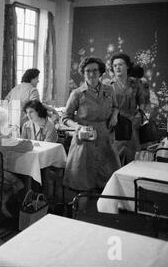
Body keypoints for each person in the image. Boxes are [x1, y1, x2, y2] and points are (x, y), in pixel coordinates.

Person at [62, 57, 121, 202]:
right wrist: (77, 126)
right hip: (85, 137)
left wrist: (115, 115)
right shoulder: (77, 93)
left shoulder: (109, 89)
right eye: (88, 71)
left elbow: (116, 106)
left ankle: (101, 209)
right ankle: (80, 209)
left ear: (100, 72)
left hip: (104, 136)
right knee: (83, 177)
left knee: (106, 173)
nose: (91, 74)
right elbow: (65, 117)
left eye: (95, 70)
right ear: (83, 73)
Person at [107, 53, 146, 165]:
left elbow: (142, 102)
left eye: (120, 64)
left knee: (132, 158)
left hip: (132, 123)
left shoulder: (136, 83)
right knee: (114, 158)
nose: (117, 67)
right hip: (115, 124)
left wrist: (139, 114)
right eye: (115, 65)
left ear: (127, 66)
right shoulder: (107, 85)